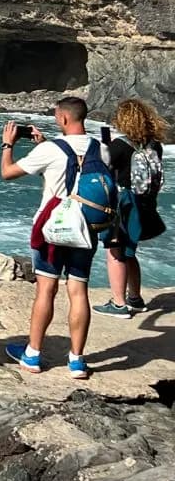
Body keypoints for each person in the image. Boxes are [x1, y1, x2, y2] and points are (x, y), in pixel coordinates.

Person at [0, 96, 109, 379]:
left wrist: (8, 144)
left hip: (52, 229)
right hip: (86, 228)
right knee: (78, 290)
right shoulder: (103, 149)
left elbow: (7, 173)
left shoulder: (51, 150)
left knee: (46, 289)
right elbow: (79, 177)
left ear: (62, 118)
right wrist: (44, 145)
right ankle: (77, 361)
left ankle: (33, 354)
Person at [95, 98, 167, 318]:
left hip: (123, 205)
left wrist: (105, 147)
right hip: (145, 204)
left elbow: (103, 167)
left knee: (114, 252)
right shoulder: (155, 146)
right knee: (130, 252)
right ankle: (135, 298)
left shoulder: (119, 146)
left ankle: (118, 305)